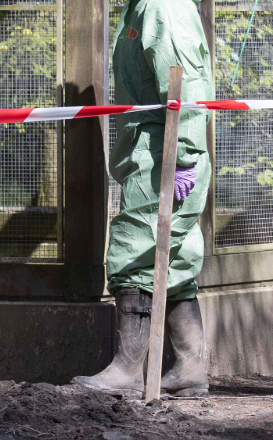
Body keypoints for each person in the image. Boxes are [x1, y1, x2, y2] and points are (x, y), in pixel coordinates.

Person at [73, 0, 213, 397]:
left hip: (164, 154)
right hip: (153, 150)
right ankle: (190, 367)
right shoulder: (143, 6)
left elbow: (185, 79)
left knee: (134, 250)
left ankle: (128, 371)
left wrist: (184, 154)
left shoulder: (160, 5)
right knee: (176, 259)